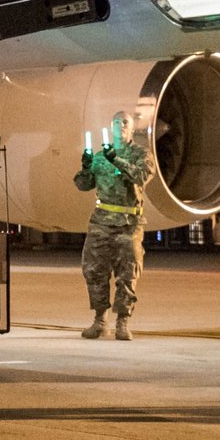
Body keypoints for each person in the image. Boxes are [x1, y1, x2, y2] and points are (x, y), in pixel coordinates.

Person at [73, 109, 152, 341]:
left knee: (127, 273)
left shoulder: (140, 154)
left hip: (129, 223)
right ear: (111, 127)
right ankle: (99, 321)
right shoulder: (99, 156)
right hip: (101, 222)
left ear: (132, 127)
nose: (121, 126)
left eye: (125, 122)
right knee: (94, 270)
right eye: (116, 122)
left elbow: (141, 176)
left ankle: (122, 322)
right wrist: (86, 167)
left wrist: (115, 159)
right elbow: (83, 184)